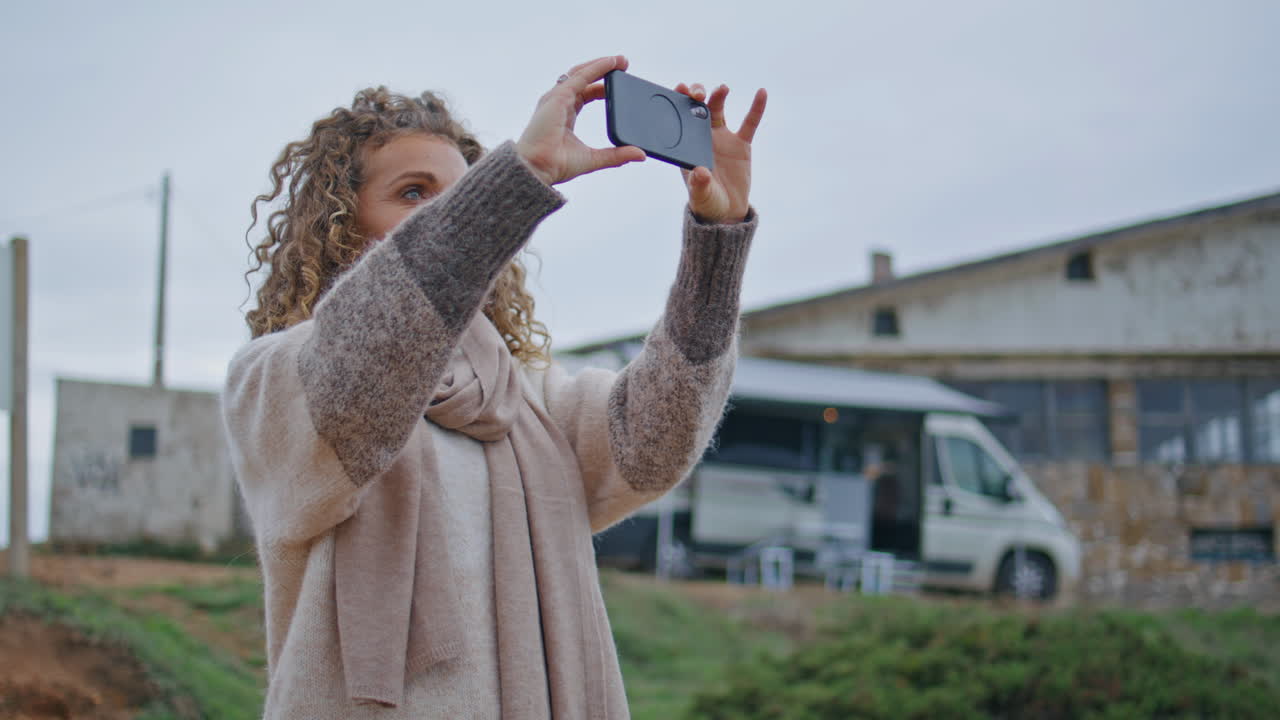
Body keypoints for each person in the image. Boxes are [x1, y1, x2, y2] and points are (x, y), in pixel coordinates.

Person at [221, 55, 766, 719]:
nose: (449, 211)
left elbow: (651, 442)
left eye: (464, 192)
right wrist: (518, 180)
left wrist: (718, 241)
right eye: (417, 193)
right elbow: (359, 364)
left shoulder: (526, 399)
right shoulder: (276, 382)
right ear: (339, 227)